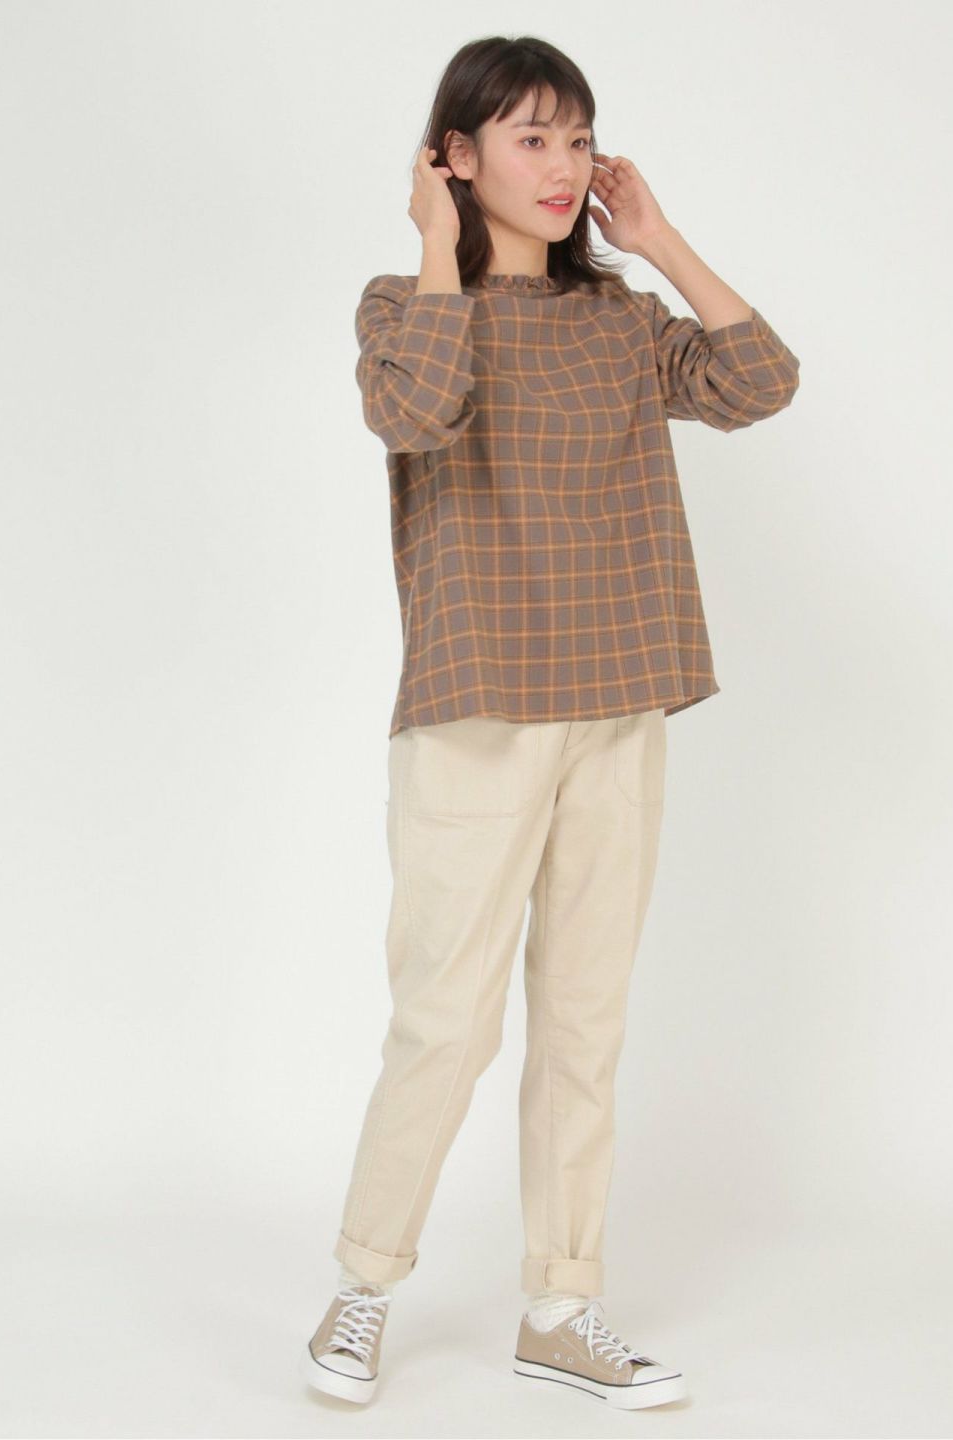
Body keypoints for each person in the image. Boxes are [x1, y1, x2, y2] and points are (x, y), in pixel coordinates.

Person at [301, 34, 800, 1411]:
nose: (566, 164)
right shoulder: (406, 306)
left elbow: (761, 382)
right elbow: (414, 415)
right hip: (478, 711)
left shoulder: (621, 320)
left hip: (618, 702)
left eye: (578, 138)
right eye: (531, 137)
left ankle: (563, 1307)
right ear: (455, 155)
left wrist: (661, 239)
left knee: (585, 1023)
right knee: (444, 1021)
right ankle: (363, 1283)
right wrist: (438, 245)